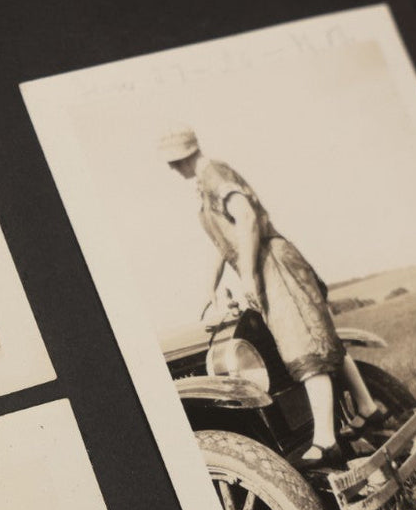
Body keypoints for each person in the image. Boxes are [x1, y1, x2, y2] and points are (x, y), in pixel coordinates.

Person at [157, 125, 382, 470]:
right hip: (265, 265)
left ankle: (326, 442)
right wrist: (209, 288)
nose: (172, 170)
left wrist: (247, 274)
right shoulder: (205, 186)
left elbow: (246, 218)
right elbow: (223, 243)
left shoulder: (214, 173)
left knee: (305, 346)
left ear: (181, 157)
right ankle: (367, 407)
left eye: (173, 162)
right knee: (320, 337)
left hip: (272, 264)